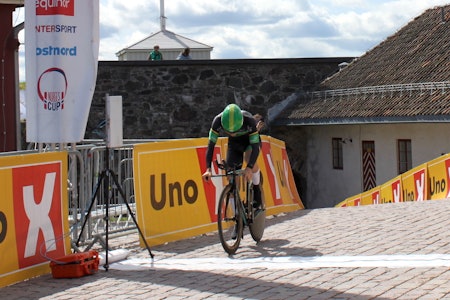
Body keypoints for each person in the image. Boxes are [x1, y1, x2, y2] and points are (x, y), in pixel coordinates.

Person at [202, 104, 263, 212]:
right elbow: (210, 146)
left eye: (234, 131)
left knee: (248, 159)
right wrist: (208, 169)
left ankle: (257, 187)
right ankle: (237, 216)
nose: (232, 133)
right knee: (231, 176)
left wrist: (249, 167)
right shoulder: (217, 121)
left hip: (249, 141)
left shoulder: (249, 121)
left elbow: (255, 148)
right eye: (228, 132)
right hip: (234, 144)